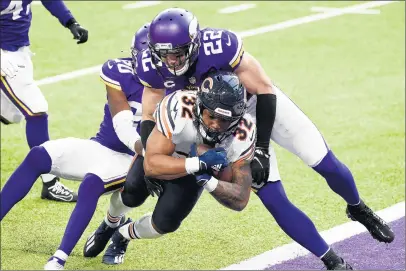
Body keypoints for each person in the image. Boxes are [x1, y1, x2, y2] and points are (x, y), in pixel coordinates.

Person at [134, 7, 393, 270]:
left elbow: (264, 89)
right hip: (221, 123)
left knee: (323, 161)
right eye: (164, 54)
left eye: (177, 53)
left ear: (193, 44)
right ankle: (332, 261)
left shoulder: (220, 45)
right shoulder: (150, 67)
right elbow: (148, 115)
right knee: (272, 197)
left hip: (255, 104)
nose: (171, 61)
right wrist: (149, 159)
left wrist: (262, 149)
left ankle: (358, 207)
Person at [0, 23, 150, 270]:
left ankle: (59, 258)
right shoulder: (118, 70)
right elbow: (121, 125)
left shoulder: (175, 86)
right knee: (38, 155)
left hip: (133, 158)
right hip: (104, 145)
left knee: (92, 183)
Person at [83, 71, 256, 265]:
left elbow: (240, 198)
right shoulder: (180, 106)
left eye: (225, 120)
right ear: (200, 106)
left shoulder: (244, 131)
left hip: (194, 172)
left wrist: (208, 180)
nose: (216, 125)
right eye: (212, 116)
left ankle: (123, 234)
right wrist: (198, 163)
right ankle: (110, 222)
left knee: (165, 224)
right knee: (132, 193)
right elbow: (151, 165)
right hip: (165, 155)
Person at [0, 0, 89, 202]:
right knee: (36, 111)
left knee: (11, 114)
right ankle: (50, 183)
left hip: (19, 51)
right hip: (4, 55)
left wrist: (70, 22)